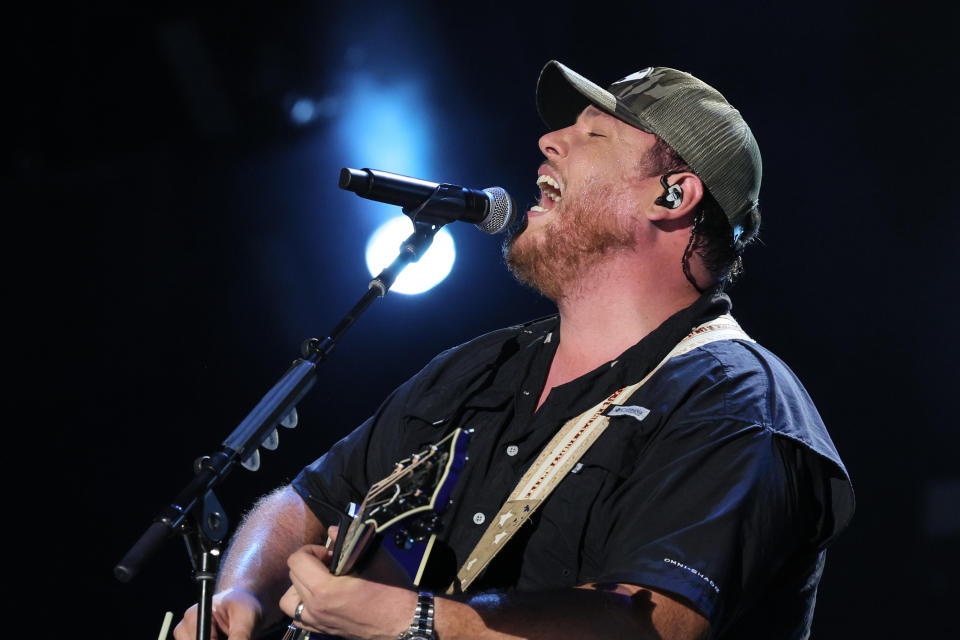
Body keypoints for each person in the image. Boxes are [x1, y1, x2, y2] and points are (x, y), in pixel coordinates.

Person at [174, 60, 854, 640]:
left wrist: (423, 621)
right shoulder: (481, 366)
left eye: (592, 134)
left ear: (672, 193)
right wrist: (243, 594)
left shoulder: (737, 403)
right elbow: (305, 501)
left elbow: (654, 627)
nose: (549, 141)